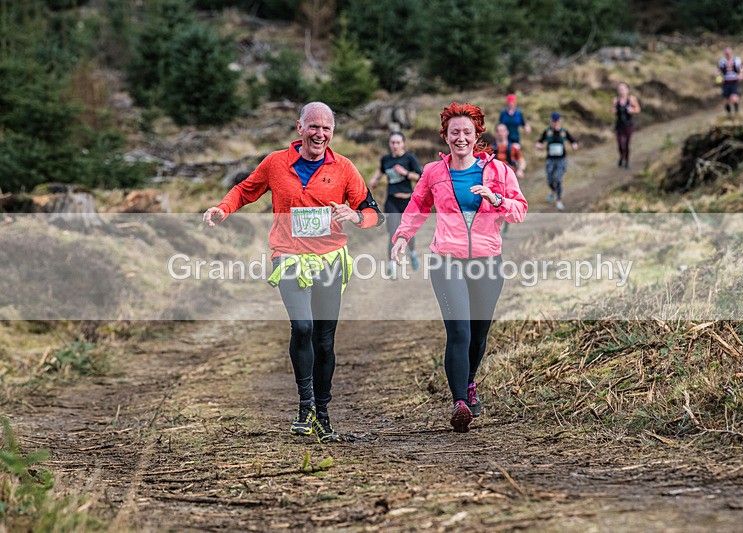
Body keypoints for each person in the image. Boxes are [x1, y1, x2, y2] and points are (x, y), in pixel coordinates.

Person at [203, 102, 384, 443]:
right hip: (288, 257)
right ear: (299, 128)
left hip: (330, 259)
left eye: (326, 128)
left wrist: (356, 217)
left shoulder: (344, 168)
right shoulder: (276, 163)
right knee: (302, 327)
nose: (320, 133)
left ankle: (323, 414)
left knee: (325, 341)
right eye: (313, 126)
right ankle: (306, 405)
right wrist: (223, 208)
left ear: (332, 132)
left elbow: (373, 211)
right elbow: (245, 190)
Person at [390, 102, 528, 433]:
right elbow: (417, 206)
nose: (461, 138)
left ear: (477, 134)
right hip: (446, 259)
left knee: (478, 335)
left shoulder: (499, 172)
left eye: (467, 132)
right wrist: (402, 237)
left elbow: (519, 211)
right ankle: (459, 404)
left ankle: (469, 382)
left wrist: (495, 200)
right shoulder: (433, 172)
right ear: (446, 136)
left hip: (487, 261)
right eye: (455, 132)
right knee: (459, 332)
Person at [369, 131, 423, 278]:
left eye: (398, 142)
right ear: (389, 144)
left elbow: (420, 177)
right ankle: (392, 265)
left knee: (407, 232)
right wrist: (374, 180)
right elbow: (381, 170)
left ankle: (412, 253)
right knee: (393, 233)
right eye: (393, 142)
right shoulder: (386, 159)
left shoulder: (409, 158)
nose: (395, 145)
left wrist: (405, 173)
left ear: (403, 143)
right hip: (391, 201)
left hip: (407, 202)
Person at [536, 112, 578, 211]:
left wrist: (574, 144)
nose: (555, 123)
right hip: (550, 159)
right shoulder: (547, 132)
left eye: (557, 121)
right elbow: (540, 141)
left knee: (558, 179)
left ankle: (559, 200)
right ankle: (553, 191)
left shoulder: (564, 132)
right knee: (550, 180)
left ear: (560, 122)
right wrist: (538, 145)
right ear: (551, 122)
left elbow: (572, 140)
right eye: (554, 122)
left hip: (561, 160)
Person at [612, 82, 641, 169]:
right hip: (619, 125)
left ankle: (627, 161)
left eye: (623, 89)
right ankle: (621, 157)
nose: (621, 91)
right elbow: (613, 109)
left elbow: (638, 109)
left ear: (627, 90)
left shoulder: (631, 99)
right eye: (620, 89)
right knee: (620, 144)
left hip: (628, 125)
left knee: (627, 144)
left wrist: (632, 110)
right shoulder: (616, 100)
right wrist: (614, 110)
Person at [717, 47, 743, 115]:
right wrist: (717, 75)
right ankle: (729, 114)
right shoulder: (722, 61)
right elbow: (718, 70)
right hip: (725, 82)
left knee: (734, 98)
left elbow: (742, 68)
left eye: (729, 53)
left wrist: (741, 75)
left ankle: (736, 112)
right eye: (726, 54)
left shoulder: (736, 60)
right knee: (726, 101)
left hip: (734, 81)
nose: (727, 55)